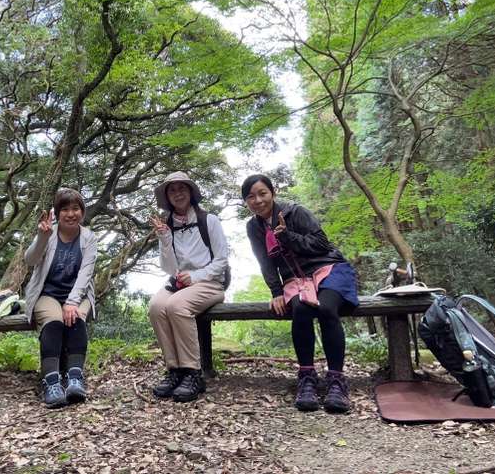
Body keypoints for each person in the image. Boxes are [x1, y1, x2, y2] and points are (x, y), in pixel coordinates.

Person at [241, 174, 359, 413]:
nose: (258, 200)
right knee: (300, 309)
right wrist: (276, 292)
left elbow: (322, 244)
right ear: (246, 202)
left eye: (262, 193)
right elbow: (265, 261)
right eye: (251, 197)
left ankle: (336, 380)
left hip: (328, 268)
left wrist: (287, 237)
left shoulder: (295, 212)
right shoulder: (254, 227)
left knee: (327, 308)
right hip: (296, 277)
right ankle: (307, 378)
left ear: (273, 193)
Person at [148, 171, 229, 402]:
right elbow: (169, 268)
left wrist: (195, 276)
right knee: (156, 307)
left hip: (210, 283)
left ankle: (193, 372)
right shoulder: (169, 226)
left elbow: (221, 261)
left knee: (176, 306)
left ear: (191, 192)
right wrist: (165, 240)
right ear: (167, 197)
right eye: (172, 190)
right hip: (181, 284)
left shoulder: (209, 220)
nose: (178, 194)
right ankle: (174, 370)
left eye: (182, 188)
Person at [24, 188, 97, 408]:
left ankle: (75, 378)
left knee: (76, 318)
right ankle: (51, 382)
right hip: (47, 293)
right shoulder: (49, 233)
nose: (71, 214)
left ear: (82, 212)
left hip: (78, 293)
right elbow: (30, 260)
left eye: (75, 208)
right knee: (54, 322)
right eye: (65, 209)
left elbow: (86, 273)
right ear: (57, 213)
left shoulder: (88, 237)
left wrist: (72, 302)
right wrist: (42, 238)